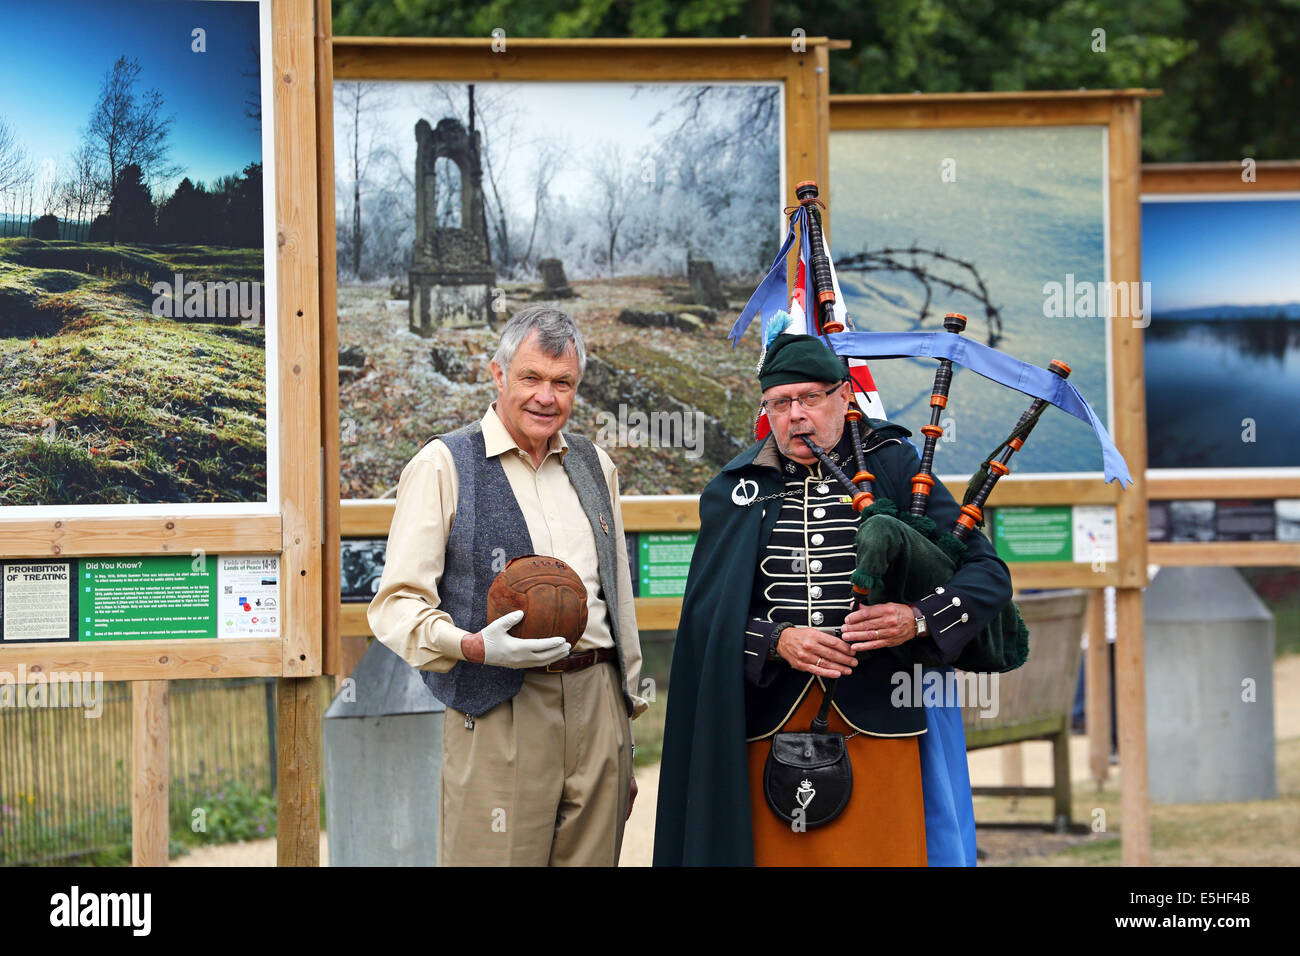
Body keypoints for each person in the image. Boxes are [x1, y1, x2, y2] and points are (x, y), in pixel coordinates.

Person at [653, 333, 1013, 866]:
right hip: (770, 725)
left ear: (845, 397)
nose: (796, 415)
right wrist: (777, 639)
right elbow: (707, 619)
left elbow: (987, 574)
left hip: (884, 718)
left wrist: (916, 619)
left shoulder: (895, 467)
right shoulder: (735, 488)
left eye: (810, 398)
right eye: (781, 402)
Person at [369, 306, 647, 866]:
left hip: (597, 703)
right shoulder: (444, 464)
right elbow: (397, 605)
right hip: (498, 708)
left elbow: (617, 599)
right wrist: (472, 645)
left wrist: (624, 720)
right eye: (531, 378)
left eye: (562, 383)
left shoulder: (596, 466)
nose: (547, 396)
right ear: (497, 375)